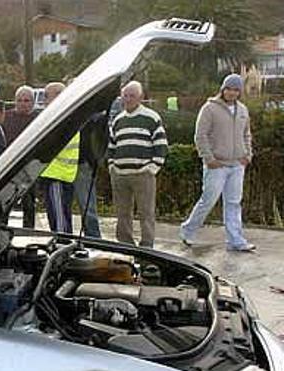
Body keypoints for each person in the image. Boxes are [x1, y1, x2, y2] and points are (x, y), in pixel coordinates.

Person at [179, 74, 255, 251]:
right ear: (223, 89)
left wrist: (248, 155)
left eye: (236, 90)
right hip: (217, 165)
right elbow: (200, 135)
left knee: (234, 202)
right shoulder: (209, 108)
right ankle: (188, 230)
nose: (232, 93)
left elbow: (247, 134)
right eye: (229, 89)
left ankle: (236, 240)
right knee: (208, 200)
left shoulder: (243, 110)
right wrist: (209, 159)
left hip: (237, 164)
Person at [107, 81, 167, 248]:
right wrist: (111, 165)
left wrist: (152, 168)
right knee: (122, 213)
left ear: (140, 97)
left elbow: (161, 145)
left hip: (143, 174)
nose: (127, 99)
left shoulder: (151, 118)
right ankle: (125, 245)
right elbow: (112, 145)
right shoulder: (118, 120)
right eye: (125, 96)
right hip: (119, 174)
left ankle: (147, 245)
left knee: (146, 212)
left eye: (132, 95)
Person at [37, 82, 77, 234]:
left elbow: (47, 145)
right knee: (61, 217)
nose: (44, 100)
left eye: (47, 96)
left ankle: (61, 247)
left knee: (59, 221)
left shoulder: (60, 118)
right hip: (59, 174)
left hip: (56, 175)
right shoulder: (68, 116)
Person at [4, 86, 39, 228]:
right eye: (20, 100)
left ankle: (29, 230)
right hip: (9, 166)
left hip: (29, 166)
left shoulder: (39, 118)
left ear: (32, 102)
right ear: (14, 101)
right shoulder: (6, 117)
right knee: (5, 202)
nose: (23, 103)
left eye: (26, 100)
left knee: (29, 203)